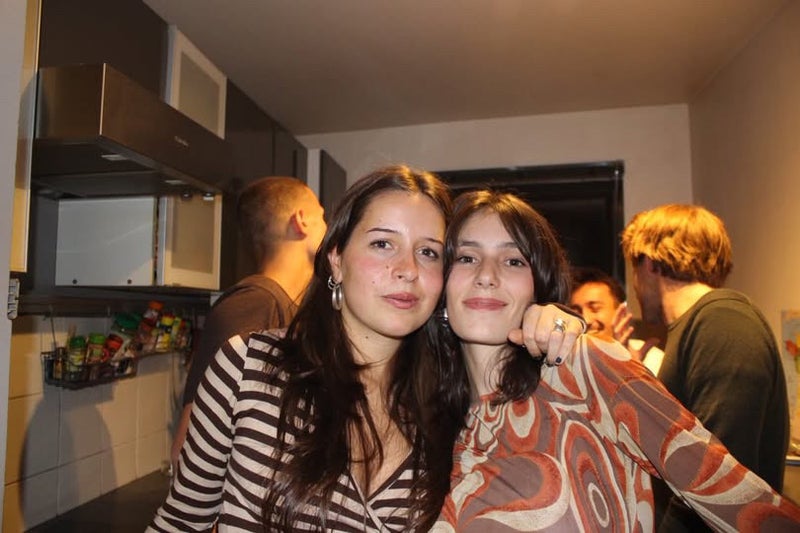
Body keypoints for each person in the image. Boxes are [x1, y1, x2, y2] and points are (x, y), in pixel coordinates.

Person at [148, 165, 582, 532]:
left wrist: (560, 324)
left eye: (428, 253)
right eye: (382, 244)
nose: (407, 269)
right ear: (336, 259)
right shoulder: (249, 365)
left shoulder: (450, 409)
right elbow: (179, 524)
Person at [432, 190, 800, 532]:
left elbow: (741, 500)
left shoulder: (584, 367)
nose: (487, 275)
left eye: (513, 260)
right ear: (441, 280)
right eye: (466, 257)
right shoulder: (423, 417)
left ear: (538, 285)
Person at [620, 203, 789, 532]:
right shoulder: (693, 328)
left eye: (634, 270)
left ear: (649, 262)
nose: (635, 286)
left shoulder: (722, 321)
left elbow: (719, 481)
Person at [170, 176, 327, 466]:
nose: (329, 229)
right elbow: (188, 445)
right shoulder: (254, 305)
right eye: (322, 217)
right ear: (301, 221)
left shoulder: (288, 309)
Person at [570, 265, 665, 375]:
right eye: (576, 312)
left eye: (595, 308)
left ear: (621, 312)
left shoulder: (651, 359)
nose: (586, 320)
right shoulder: (566, 363)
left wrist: (630, 370)